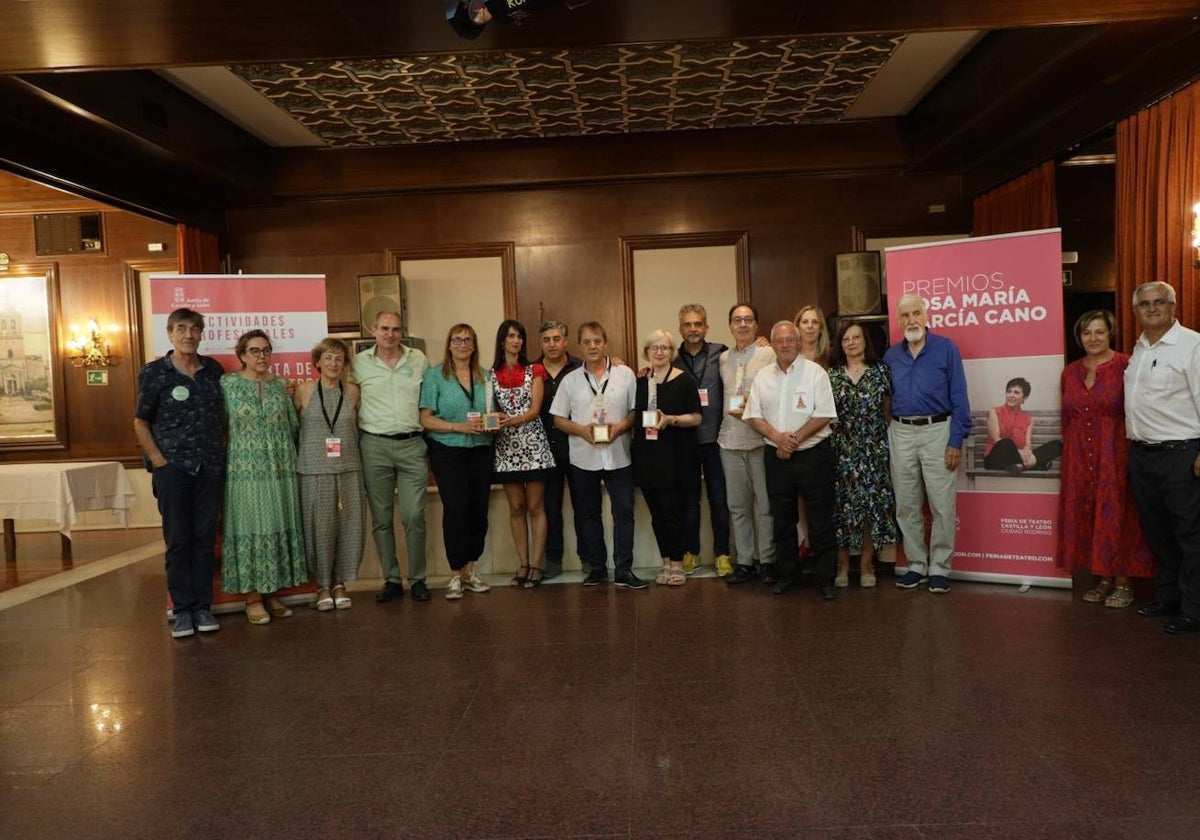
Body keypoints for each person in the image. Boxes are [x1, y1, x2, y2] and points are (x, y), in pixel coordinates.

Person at [133, 307, 226, 639]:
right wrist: (158, 460)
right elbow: (141, 420)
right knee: (178, 541)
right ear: (170, 334)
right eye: (181, 328)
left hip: (210, 468)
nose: (188, 334)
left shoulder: (213, 370)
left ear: (201, 334)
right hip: (173, 469)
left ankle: (202, 607)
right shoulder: (154, 373)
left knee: (204, 541)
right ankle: (182, 609)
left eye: (194, 329)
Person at [1057, 310, 1153, 609]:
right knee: (1090, 514)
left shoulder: (1127, 365)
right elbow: (1066, 416)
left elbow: (1140, 410)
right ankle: (1103, 578)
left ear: (1110, 332)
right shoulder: (1070, 371)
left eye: (1099, 332)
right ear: (1079, 337)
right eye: (1087, 333)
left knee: (1118, 514)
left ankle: (1124, 581)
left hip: (1115, 453)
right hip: (1078, 456)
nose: (1093, 339)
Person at [1125, 282, 1200, 634]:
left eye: (1159, 302)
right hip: (1142, 455)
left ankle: (1194, 609)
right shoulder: (1139, 348)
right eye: (1144, 304)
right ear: (1136, 311)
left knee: (1190, 535)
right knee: (1158, 534)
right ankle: (1168, 597)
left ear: (1173, 305)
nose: (1151, 309)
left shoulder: (1192, 345)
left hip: (1182, 454)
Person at [744, 320, 839, 599]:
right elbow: (753, 415)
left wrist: (793, 439)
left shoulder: (815, 373)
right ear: (772, 344)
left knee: (820, 519)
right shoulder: (763, 376)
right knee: (782, 519)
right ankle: (788, 575)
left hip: (813, 456)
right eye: (780, 340)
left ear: (798, 343)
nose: (785, 345)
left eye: (790, 340)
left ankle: (826, 579)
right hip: (777, 457)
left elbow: (824, 413)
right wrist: (778, 437)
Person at [883, 293, 970, 594]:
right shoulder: (891, 356)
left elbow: (960, 397)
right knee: (906, 504)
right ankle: (917, 564)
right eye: (905, 315)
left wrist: (955, 440)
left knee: (941, 504)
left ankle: (940, 568)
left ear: (926, 315)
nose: (911, 320)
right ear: (899, 321)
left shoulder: (946, 349)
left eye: (916, 313)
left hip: (938, 431)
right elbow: (885, 398)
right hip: (902, 432)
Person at [219, 329, 308, 625]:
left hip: (280, 467)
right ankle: (253, 597)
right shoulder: (227, 384)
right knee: (251, 525)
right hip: (244, 470)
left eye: (266, 350)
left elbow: (294, 428)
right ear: (242, 355)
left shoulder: (281, 385)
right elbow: (218, 425)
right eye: (255, 351)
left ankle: (272, 592)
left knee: (278, 524)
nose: (262, 356)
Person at [550, 321, 646, 589]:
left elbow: (634, 413)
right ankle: (597, 568)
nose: (592, 346)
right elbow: (558, 419)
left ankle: (624, 569)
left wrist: (620, 427)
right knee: (587, 514)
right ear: (580, 345)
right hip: (583, 457)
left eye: (597, 341)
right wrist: (581, 430)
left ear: (605, 343)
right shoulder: (570, 380)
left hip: (619, 455)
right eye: (587, 342)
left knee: (624, 512)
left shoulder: (625, 374)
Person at [354, 310, 431, 603]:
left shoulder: (418, 360)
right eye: (384, 328)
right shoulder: (359, 364)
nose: (390, 334)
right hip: (374, 446)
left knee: (414, 515)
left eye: (396, 329)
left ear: (403, 331)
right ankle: (391, 578)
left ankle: (419, 578)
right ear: (373, 330)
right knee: (382, 518)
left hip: (412, 445)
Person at [419, 324, 495, 600]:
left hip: (481, 450)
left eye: (468, 340)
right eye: (457, 339)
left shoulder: (486, 377)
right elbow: (425, 419)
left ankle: (471, 571)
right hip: (448, 451)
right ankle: (455, 574)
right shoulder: (434, 376)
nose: (462, 344)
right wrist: (457, 428)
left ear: (474, 346)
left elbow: (493, 413)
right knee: (456, 510)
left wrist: (493, 424)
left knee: (478, 512)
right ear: (449, 344)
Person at [295, 337, 364, 612]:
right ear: (317, 363)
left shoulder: (353, 392)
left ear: (345, 364)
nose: (333, 363)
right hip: (313, 469)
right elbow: (293, 430)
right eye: (328, 358)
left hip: (349, 468)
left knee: (350, 526)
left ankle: (340, 583)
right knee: (319, 528)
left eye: (339, 359)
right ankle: (322, 585)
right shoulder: (303, 391)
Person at [828, 320, 899, 588]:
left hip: (874, 449)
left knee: (871, 508)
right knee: (843, 510)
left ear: (865, 341)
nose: (851, 342)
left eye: (856, 337)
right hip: (842, 450)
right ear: (840, 344)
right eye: (846, 338)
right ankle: (843, 565)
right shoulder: (832, 375)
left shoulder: (881, 372)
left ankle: (868, 564)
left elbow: (888, 410)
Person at [490, 319, 558, 588]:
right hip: (506, 448)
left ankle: (538, 564)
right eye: (510, 336)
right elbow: (490, 409)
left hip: (534, 446)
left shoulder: (535, 370)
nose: (515, 341)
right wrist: (494, 421)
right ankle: (523, 563)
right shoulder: (490, 374)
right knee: (516, 507)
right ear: (502, 341)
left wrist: (511, 420)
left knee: (535, 506)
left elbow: (535, 410)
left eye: (519, 336)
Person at [633, 329, 702, 586]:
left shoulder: (684, 380)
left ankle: (677, 563)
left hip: (675, 457)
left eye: (664, 348)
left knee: (674, 512)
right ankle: (664, 562)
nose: (659, 352)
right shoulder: (641, 381)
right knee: (657, 515)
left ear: (672, 352)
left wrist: (671, 419)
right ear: (647, 353)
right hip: (647, 456)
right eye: (654, 348)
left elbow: (696, 417)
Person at [718, 303, 778, 586]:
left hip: (760, 439)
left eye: (748, 320)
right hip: (729, 440)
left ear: (756, 325)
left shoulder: (769, 354)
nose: (742, 324)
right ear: (730, 325)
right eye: (737, 320)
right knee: (738, 506)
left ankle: (767, 561)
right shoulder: (722, 359)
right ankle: (744, 561)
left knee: (765, 505)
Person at [674, 304, 732, 576]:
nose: (693, 329)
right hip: (685, 441)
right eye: (688, 324)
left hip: (715, 439)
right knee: (689, 500)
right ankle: (691, 553)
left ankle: (722, 554)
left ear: (706, 328)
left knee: (719, 499)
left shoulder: (722, 354)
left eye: (698, 324)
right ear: (680, 329)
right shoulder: (672, 360)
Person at [536, 320, 583, 580]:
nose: (552, 344)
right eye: (546, 339)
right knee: (550, 508)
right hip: (544, 451)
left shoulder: (580, 367)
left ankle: (588, 557)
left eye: (556, 338)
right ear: (541, 343)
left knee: (583, 506)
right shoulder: (531, 371)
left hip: (577, 447)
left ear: (565, 341)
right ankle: (553, 560)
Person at [982, 377, 1062, 472]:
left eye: (1016, 392)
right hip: (996, 459)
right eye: (1008, 391)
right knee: (1006, 443)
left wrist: (1028, 454)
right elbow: (996, 440)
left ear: (1024, 397)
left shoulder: (1028, 419)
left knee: (1057, 444)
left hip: (1018, 459)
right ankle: (1036, 464)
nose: (1010, 395)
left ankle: (1021, 466)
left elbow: (1027, 445)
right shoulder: (994, 412)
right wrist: (1021, 453)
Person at [794, 304, 830, 368]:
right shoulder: (791, 357)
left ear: (821, 328)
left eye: (815, 322)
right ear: (798, 327)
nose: (810, 326)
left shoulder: (830, 357)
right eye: (805, 322)